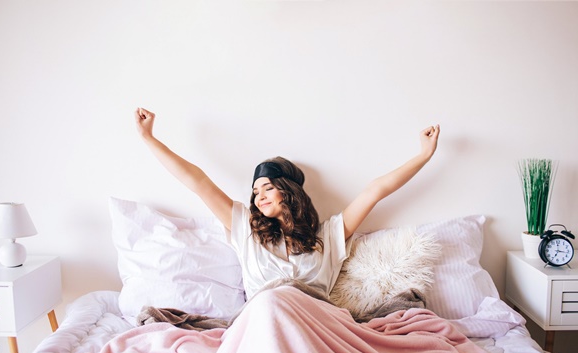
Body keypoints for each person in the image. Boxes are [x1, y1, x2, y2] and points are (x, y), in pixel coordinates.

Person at [134, 107, 440, 300]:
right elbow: (197, 182)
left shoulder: (328, 237)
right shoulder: (245, 230)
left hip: (316, 325)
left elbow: (375, 190)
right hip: (265, 322)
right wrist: (149, 139)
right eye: (255, 192)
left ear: (288, 191)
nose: (259, 196)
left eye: (267, 187)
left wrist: (424, 155)